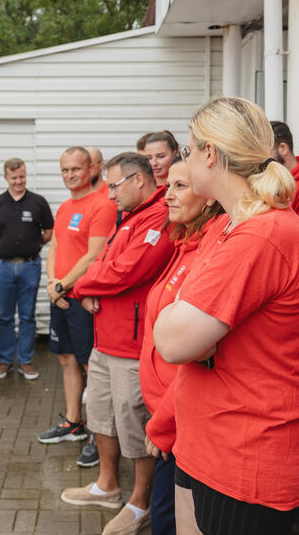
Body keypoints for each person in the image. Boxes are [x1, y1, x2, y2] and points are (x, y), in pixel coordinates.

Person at [154, 97, 299, 534]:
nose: (185, 165)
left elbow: (173, 342)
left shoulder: (261, 235)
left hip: (245, 458)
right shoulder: (229, 227)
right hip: (209, 445)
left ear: (210, 154)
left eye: (187, 152)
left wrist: (177, 318)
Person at [62, 153, 174, 535]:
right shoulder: (129, 217)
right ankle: (107, 486)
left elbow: (127, 270)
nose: (109, 194)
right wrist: (92, 286)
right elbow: (100, 263)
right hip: (105, 339)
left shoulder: (159, 216)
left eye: (114, 185)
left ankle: (139, 503)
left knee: (134, 424)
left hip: (132, 344)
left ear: (138, 180)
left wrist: (81, 288)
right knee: (101, 416)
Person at [142, 155, 223, 535]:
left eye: (179, 186)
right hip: (166, 416)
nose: (167, 196)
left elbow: (195, 356)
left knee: (170, 522)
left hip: (176, 424)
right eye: (167, 187)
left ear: (207, 196)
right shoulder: (184, 245)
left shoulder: (207, 257)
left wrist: (162, 424)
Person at [38, 146, 116, 468]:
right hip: (61, 296)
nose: (70, 175)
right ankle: (73, 423)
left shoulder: (103, 205)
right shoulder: (65, 206)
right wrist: (52, 283)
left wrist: (62, 284)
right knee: (67, 358)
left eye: (75, 169)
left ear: (91, 169)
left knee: (90, 365)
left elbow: (94, 255)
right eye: (65, 170)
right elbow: (55, 247)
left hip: (80, 299)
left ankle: (100, 436)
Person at [0, 158, 53, 380]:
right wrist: (5, 248)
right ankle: (5, 361)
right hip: (3, 268)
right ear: (6, 178)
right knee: (4, 317)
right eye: (14, 178)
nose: (18, 181)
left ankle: (25, 361)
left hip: (30, 266)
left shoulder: (38, 202)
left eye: (22, 176)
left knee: (27, 316)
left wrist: (31, 245)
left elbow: (49, 232)